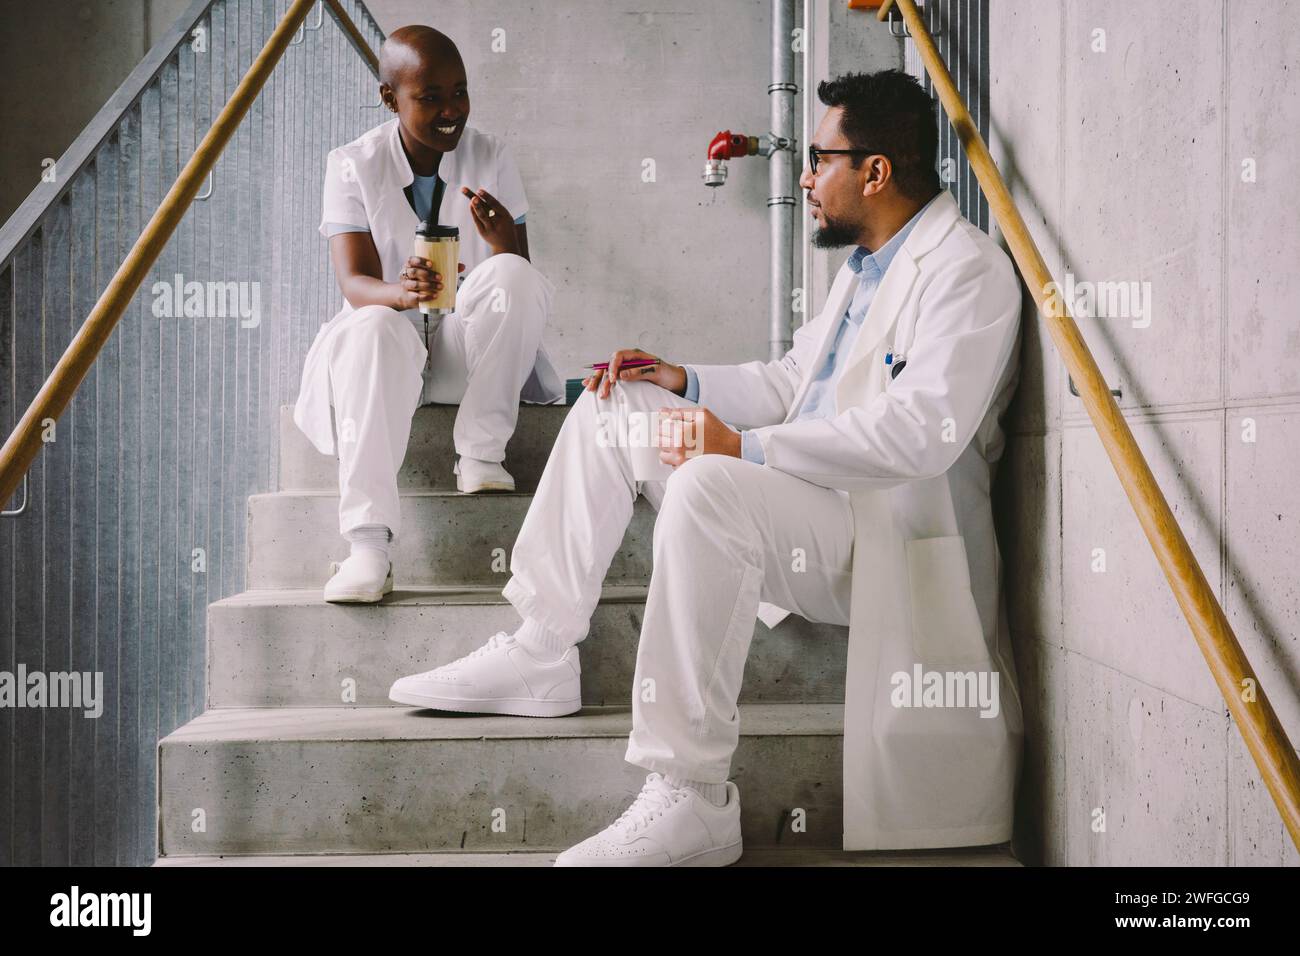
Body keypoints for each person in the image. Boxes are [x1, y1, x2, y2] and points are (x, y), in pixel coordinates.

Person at [390, 69, 1024, 866]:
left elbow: (918, 434)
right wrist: (682, 380)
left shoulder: (967, 272)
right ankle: (544, 646)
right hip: (803, 501)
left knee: (707, 484)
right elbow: (794, 383)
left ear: (876, 171)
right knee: (614, 404)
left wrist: (745, 447)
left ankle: (692, 796)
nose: (803, 175)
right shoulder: (865, 268)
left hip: (882, 540)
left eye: (819, 158)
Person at [293, 25, 564, 604]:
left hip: (464, 356)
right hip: (387, 353)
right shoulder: (352, 164)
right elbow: (353, 281)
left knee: (515, 273)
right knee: (369, 325)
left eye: (460, 92)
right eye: (431, 97)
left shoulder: (490, 154)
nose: (451, 111)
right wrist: (402, 293)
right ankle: (367, 547)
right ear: (390, 98)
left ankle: (482, 453)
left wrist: (500, 243)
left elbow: (515, 282)